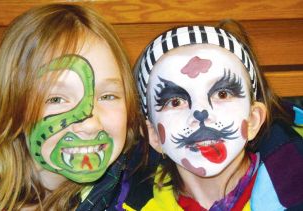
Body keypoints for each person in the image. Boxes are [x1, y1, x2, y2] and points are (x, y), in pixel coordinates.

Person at [124, 21, 303, 210]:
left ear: (253, 120)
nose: (200, 114)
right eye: (175, 102)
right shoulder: (129, 203)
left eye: (222, 94)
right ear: (153, 135)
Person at [0, 4, 143, 210]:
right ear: (12, 109)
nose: (90, 125)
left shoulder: (138, 193)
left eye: (108, 96)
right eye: (57, 99)